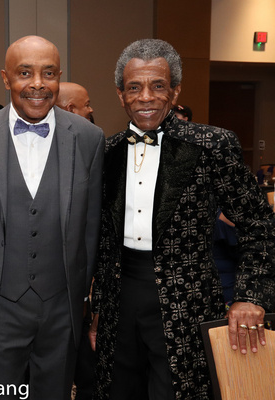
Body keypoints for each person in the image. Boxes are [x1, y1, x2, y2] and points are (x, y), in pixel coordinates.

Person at [89, 39, 275, 400]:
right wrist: (98, 309)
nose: (145, 97)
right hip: (119, 300)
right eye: (134, 87)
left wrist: (250, 296)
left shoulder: (212, 145)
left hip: (185, 303)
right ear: (120, 95)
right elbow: (102, 241)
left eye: (158, 86)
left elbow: (260, 226)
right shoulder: (107, 152)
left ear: (175, 92)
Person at [0, 35, 105, 399]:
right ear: (6, 79)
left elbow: (91, 229)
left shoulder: (90, 138)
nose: (38, 84)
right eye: (25, 73)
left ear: (59, 77)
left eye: (48, 73)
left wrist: (85, 301)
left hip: (61, 308)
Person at [55, 82, 97, 400]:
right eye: (86, 104)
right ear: (70, 110)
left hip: (84, 287)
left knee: (88, 369)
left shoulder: (94, 146)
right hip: (47, 292)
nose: (91, 109)